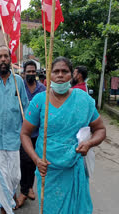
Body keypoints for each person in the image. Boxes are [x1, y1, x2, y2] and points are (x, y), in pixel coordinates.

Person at [20, 57, 106, 213]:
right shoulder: (40, 101)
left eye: (64, 71)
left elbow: (100, 129)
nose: (60, 75)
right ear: (49, 75)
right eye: (56, 71)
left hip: (74, 168)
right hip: (48, 170)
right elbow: (25, 133)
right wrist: (36, 160)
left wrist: (89, 144)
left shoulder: (83, 100)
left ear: (71, 75)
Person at [0, 46, 29, 214]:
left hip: (14, 139)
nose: (3, 59)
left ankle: (9, 200)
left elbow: (25, 107)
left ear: (10, 59)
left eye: (6, 56)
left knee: (14, 177)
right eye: (0, 56)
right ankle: (6, 209)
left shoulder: (18, 82)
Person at [17, 60, 46, 207]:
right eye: (28, 71)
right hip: (24, 133)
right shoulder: (19, 87)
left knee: (35, 163)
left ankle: (29, 187)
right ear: (24, 72)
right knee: (24, 162)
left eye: (33, 71)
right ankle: (23, 190)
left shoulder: (42, 89)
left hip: (38, 133)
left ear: (36, 73)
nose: (31, 74)